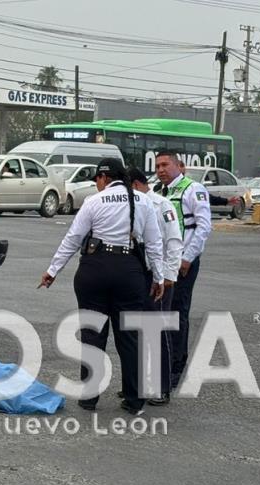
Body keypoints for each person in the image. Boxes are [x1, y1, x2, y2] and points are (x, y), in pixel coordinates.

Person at [40, 158, 164, 415]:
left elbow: (73, 239)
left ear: (103, 178)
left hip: (94, 270)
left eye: (97, 180)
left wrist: (53, 271)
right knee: (129, 337)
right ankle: (134, 400)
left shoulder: (94, 202)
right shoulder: (144, 202)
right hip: (129, 272)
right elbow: (154, 244)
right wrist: (159, 278)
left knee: (92, 334)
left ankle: (89, 398)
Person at [153, 150, 211, 392]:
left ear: (180, 166)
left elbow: (204, 226)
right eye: (157, 166)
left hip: (183, 263)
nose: (161, 170)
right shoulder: (158, 191)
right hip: (163, 263)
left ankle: (176, 367)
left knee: (177, 313)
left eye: (165, 164)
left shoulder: (192, 189)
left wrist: (187, 258)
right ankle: (160, 364)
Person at [128, 166, 183, 405]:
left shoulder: (162, 205)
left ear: (136, 185)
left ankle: (161, 387)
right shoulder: (132, 205)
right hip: (138, 277)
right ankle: (139, 384)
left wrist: (169, 276)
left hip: (159, 278)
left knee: (157, 332)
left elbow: (173, 242)